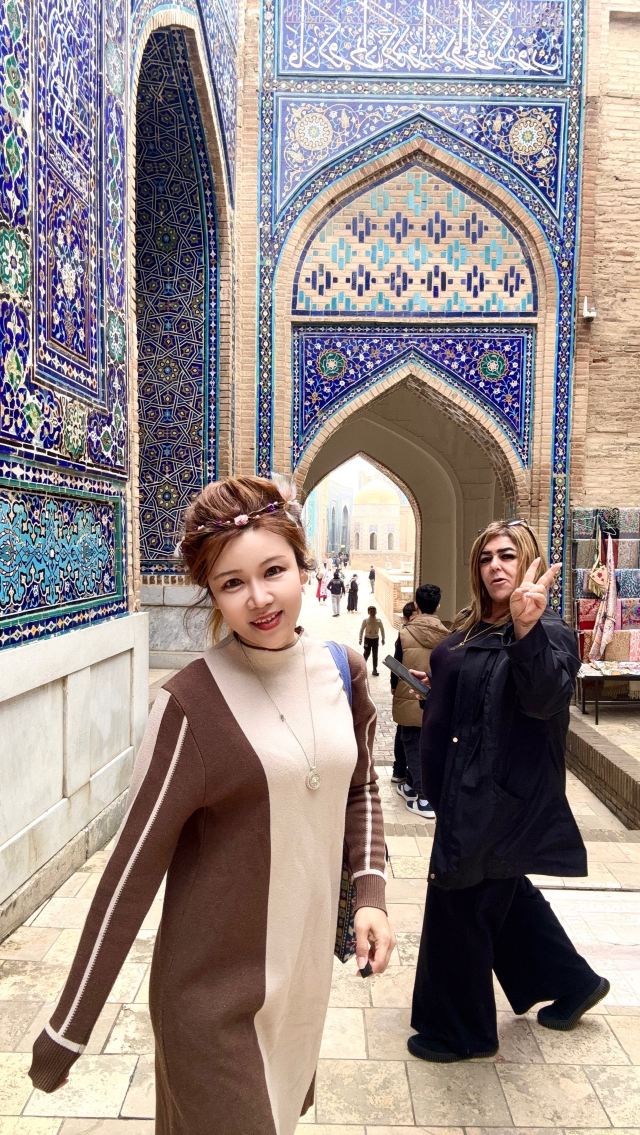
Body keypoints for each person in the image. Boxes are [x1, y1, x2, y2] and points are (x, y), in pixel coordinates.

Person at [28, 475, 394, 1134]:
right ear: (213, 596)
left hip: (301, 984)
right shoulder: (190, 705)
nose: (259, 598)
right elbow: (130, 872)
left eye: (273, 570)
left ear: (302, 566)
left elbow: (360, 785)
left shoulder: (343, 671)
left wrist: (371, 893)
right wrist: (69, 1026)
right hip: (210, 1002)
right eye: (232, 583)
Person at [408, 519, 610, 1064]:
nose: (495, 566)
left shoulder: (547, 631)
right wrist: (443, 689)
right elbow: (477, 687)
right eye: (485, 558)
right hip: (462, 787)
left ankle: (461, 1033)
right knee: (500, 890)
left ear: (528, 563)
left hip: (496, 796)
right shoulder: (475, 626)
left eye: (507, 556)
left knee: (459, 899)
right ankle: (573, 982)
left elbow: (544, 697)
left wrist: (526, 628)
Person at [392, 584, 448, 819]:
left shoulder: (404, 633)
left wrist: (395, 690)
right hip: (436, 698)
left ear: (416, 604)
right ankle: (413, 786)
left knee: (412, 745)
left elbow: (396, 667)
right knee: (430, 747)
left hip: (408, 695)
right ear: (438, 605)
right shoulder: (448, 636)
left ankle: (424, 798)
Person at [390, 601, 416, 784]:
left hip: (407, 690)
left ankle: (400, 770)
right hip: (425, 690)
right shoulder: (442, 633)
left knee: (404, 732)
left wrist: (394, 686)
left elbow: (396, 665)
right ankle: (409, 776)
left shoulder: (404, 634)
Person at [359, 605, 385, 675]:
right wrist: (360, 639)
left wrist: (383, 638)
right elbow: (361, 630)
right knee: (366, 653)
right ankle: (362, 668)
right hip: (367, 639)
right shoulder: (366, 621)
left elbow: (382, 630)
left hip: (375, 640)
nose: (373, 613)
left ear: (376, 612)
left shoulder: (378, 620)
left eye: (374, 611)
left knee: (375, 655)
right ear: (368, 612)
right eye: (371, 611)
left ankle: (374, 669)